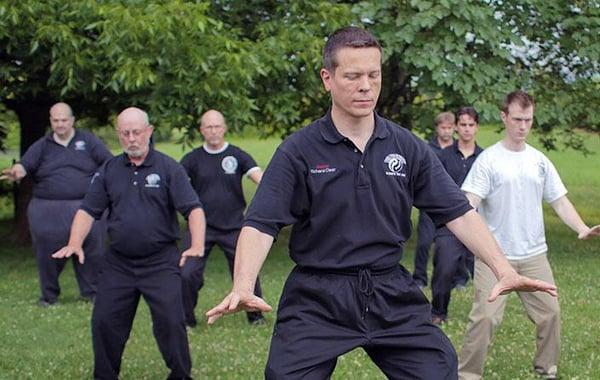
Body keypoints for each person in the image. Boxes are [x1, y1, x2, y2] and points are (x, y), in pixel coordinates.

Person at [206, 27, 557, 380]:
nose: (366, 85)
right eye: (353, 75)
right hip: (317, 295)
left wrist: (503, 268)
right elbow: (261, 222)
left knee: (437, 370)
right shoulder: (298, 151)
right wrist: (243, 284)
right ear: (327, 79)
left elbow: (458, 212)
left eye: (374, 75)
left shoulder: (407, 147)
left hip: (389, 290)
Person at [52, 107, 206, 380]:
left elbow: (193, 209)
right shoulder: (109, 170)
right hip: (119, 263)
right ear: (119, 135)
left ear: (149, 131)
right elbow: (88, 210)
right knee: (104, 321)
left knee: (171, 322)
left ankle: (181, 375)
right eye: (126, 133)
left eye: (137, 132)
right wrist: (75, 242)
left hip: (160, 262)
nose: (132, 138)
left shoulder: (169, 168)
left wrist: (197, 244)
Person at [457, 90, 600, 380]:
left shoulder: (539, 161)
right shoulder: (489, 161)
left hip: (534, 255)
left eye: (529, 120)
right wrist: (461, 220)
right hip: (494, 257)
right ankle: (468, 375)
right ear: (504, 117)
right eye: (518, 119)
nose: (523, 126)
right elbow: (468, 201)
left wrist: (582, 228)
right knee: (484, 318)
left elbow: (559, 200)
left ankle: (546, 370)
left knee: (551, 314)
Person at [1, 102, 112, 306]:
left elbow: (109, 163)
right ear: (51, 121)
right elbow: (24, 166)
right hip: (47, 208)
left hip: (86, 206)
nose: (60, 124)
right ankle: (49, 296)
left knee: (92, 252)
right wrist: (16, 172)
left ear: (72, 121)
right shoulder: (42, 145)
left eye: (64, 120)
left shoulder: (87, 141)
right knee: (47, 253)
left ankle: (92, 293)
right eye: (55, 120)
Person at [180, 109, 265, 327]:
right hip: (201, 229)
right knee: (187, 273)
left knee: (247, 270)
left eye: (217, 126)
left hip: (234, 226)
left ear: (224, 128)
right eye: (208, 127)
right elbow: (177, 188)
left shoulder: (237, 155)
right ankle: (186, 320)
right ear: (202, 130)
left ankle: (256, 317)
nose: (213, 131)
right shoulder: (192, 159)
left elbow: (261, 179)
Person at [430, 107, 483, 325]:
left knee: (483, 271)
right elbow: (433, 189)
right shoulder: (443, 156)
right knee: (444, 269)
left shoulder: (485, 158)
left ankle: (484, 315)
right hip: (449, 225)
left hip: (478, 225)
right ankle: (438, 312)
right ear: (456, 127)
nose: (467, 129)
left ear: (477, 127)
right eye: (463, 125)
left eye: (471, 125)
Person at [412, 112, 455, 289]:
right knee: (424, 243)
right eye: (443, 127)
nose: (446, 131)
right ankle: (420, 277)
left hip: (451, 205)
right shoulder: (427, 149)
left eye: (449, 128)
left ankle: (456, 278)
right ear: (437, 128)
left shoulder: (457, 150)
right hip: (429, 205)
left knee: (450, 246)